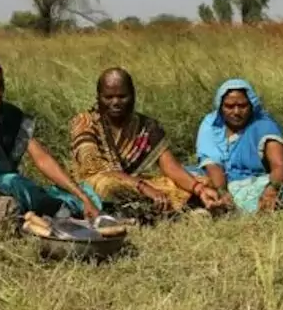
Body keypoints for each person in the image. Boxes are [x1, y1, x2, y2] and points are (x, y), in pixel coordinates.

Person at [0, 56, 100, 222]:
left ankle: (58, 209)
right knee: (14, 190)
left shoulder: (9, 116)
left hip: (11, 187)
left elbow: (42, 158)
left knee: (21, 186)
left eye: (0, 85)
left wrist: (82, 196)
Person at [72, 68, 220, 218]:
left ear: (133, 96)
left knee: (200, 180)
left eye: (122, 96)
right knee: (109, 186)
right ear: (98, 97)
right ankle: (163, 210)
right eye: (108, 97)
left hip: (135, 183)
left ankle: (164, 209)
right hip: (99, 184)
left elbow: (170, 166)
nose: (115, 102)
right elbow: (97, 170)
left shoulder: (146, 126)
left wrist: (199, 188)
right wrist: (143, 187)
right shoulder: (85, 122)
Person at [193, 79, 283, 214]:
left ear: (251, 105)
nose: (236, 112)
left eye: (242, 106)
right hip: (216, 181)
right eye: (229, 106)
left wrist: (271, 190)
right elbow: (212, 164)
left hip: (253, 183)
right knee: (188, 180)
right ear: (220, 107)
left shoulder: (263, 125)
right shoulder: (211, 124)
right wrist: (222, 192)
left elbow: (280, 165)